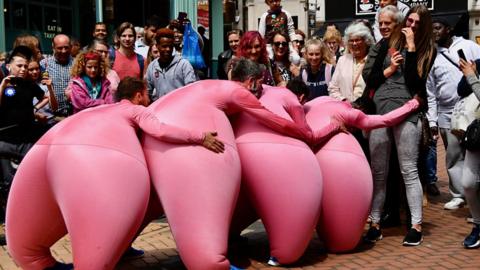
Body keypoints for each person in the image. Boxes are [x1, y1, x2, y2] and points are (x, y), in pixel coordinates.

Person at [6, 76, 224, 270]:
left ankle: (41, 261)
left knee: (31, 250)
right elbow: (161, 130)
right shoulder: (136, 110)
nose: (149, 100)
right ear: (139, 95)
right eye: (147, 95)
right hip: (95, 156)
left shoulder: (100, 109)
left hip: (51, 146)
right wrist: (200, 136)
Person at [141, 58, 312, 270]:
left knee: (148, 199)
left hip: (156, 123)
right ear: (251, 81)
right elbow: (273, 120)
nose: (261, 89)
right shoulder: (238, 92)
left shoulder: (214, 85)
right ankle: (211, 262)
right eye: (260, 82)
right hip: (180, 126)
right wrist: (304, 133)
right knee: (216, 175)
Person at [363, 5, 436, 246]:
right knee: (378, 172)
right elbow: (370, 78)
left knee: (409, 171)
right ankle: (375, 223)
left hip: (407, 113)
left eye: (416, 23)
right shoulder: (385, 43)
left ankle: (416, 225)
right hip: (380, 113)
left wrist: (412, 49)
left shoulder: (427, 49)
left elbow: (416, 84)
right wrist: (390, 69)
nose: (411, 26)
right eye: (409, 21)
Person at [427, 18, 480, 207]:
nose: (434, 32)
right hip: (447, 113)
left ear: (448, 29)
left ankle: (475, 193)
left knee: (474, 151)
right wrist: (432, 120)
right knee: (453, 154)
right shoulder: (432, 55)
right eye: (431, 29)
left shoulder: (469, 46)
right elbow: (430, 91)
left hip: (472, 111)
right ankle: (458, 194)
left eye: (438, 28)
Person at [0, 46, 47, 236]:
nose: (22, 69)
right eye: (19, 65)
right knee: (7, 183)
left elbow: (44, 97)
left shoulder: (29, 85)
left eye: (25, 66)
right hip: (5, 141)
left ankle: (32, 219)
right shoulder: (3, 85)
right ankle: (10, 224)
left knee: (31, 180)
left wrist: (35, 110)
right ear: (9, 65)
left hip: (27, 140)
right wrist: (2, 87)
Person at [458, 58, 480, 249]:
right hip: (478, 134)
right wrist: (468, 76)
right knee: (468, 183)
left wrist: (472, 77)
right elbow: (462, 91)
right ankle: (478, 224)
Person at [145, 28, 196, 101]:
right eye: (164, 46)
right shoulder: (152, 67)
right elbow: (147, 91)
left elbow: (192, 90)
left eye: (170, 46)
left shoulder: (183, 64)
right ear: (157, 46)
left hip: (180, 108)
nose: (168, 49)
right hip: (161, 109)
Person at [328, 22, 374, 102]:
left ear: (366, 41)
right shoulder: (342, 60)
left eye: (357, 40)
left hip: (367, 110)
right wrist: (344, 101)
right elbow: (333, 88)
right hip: (346, 109)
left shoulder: (373, 60)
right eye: (351, 41)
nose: (354, 43)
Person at [40, 34, 74, 117]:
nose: (63, 51)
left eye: (66, 47)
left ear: (70, 47)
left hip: (73, 113)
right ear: (53, 47)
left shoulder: (77, 64)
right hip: (52, 115)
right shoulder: (44, 64)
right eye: (60, 48)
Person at [26, 59, 58, 127]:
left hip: (49, 122)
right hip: (32, 124)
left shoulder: (45, 84)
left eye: (37, 69)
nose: (35, 72)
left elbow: (55, 108)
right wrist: (35, 113)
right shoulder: (24, 86)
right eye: (31, 70)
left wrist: (50, 89)